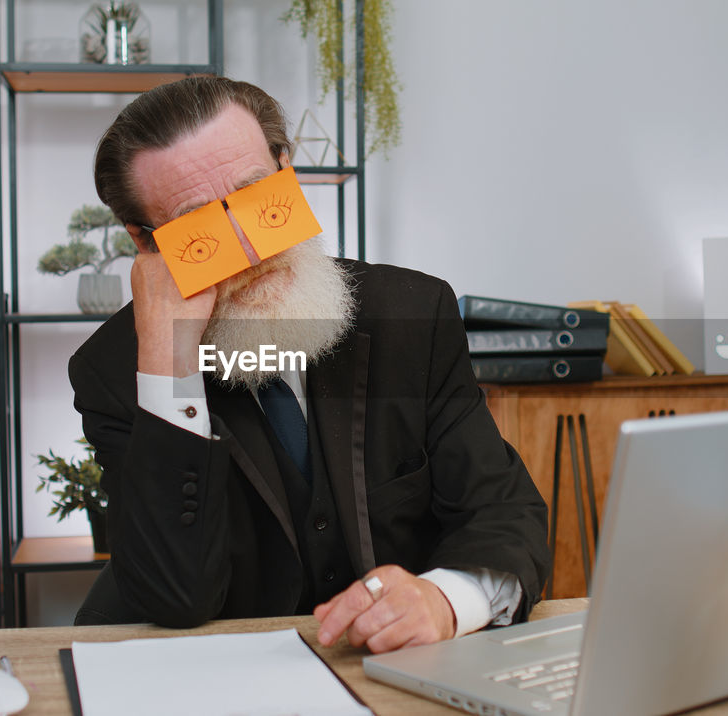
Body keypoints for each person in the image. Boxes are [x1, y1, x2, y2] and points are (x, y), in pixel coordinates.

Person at [69, 76, 549, 653]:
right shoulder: (117, 370)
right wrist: (170, 364)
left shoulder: (414, 315)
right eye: (202, 229)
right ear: (148, 244)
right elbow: (174, 597)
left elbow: (504, 512)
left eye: (257, 198)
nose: (250, 247)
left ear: (286, 170)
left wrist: (446, 601)